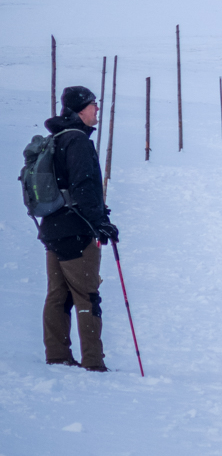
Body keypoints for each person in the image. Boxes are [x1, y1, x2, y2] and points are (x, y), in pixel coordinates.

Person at [38, 85, 119, 371]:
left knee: (58, 294)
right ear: (79, 109)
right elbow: (84, 186)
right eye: (92, 104)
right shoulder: (79, 142)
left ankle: (57, 356)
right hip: (76, 230)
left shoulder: (57, 137)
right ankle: (94, 362)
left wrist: (100, 215)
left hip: (52, 228)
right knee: (87, 294)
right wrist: (100, 223)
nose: (97, 109)